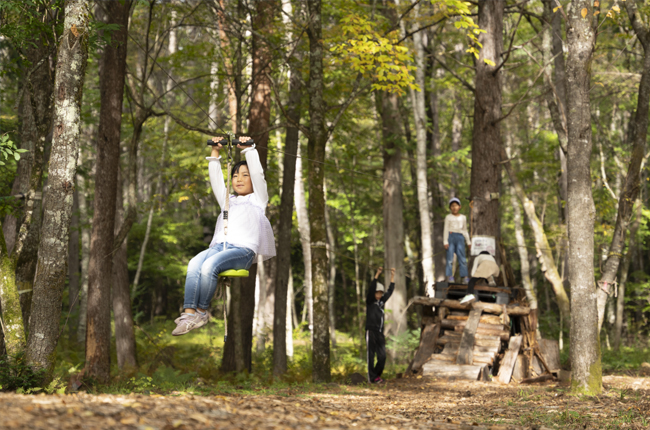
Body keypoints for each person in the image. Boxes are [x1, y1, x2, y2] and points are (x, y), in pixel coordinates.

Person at [172, 138, 276, 336]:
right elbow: (216, 180)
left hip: (243, 250)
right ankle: (188, 314)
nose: (238, 179)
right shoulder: (228, 200)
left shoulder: (258, 200)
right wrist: (214, 152)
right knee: (195, 263)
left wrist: (249, 151)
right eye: (235, 175)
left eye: (245, 175)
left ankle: (201, 312)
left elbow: (258, 174)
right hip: (220, 247)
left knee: (210, 266)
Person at [366, 266, 395, 384]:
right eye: (377, 293)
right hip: (371, 331)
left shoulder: (381, 302)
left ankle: (376, 376)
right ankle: (371, 378)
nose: (378, 295)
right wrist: (377, 274)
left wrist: (392, 275)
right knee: (371, 356)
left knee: (382, 356)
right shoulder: (370, 301)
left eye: (380, 293)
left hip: (379, 332)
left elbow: (390, 291)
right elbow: (372, 287)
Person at [443, 197, 470, 283]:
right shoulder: (448, 217)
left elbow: (465, 230)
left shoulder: (463, 217)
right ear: (450, 208)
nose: (454, 207)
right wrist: (445, 241)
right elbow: (446, 229)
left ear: (460, 207)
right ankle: (450, 276)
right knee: (450, 258)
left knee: (462, 258)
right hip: (451, 236)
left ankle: (465, 276)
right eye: (452, 206)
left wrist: (468, 242)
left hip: (460, 237)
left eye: (456, 205)